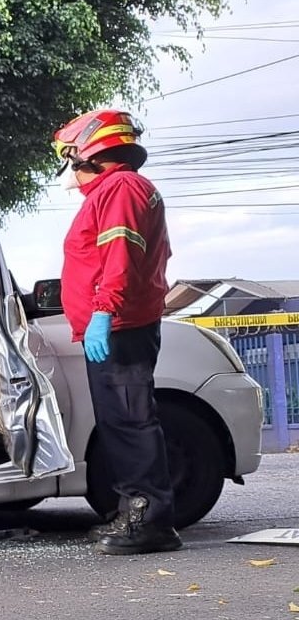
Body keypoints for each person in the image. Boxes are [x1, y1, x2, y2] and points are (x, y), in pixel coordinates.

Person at [53, 109, 180, 555]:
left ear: (89, 151)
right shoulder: (116, 190)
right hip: (115, 325)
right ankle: (134, 512)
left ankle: (151, 523)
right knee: (120, 422)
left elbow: (119, 255)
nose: (69, 169)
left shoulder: (121, 188)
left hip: (120, 326)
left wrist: (104, 311)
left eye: (71, 157)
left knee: (130, 421)